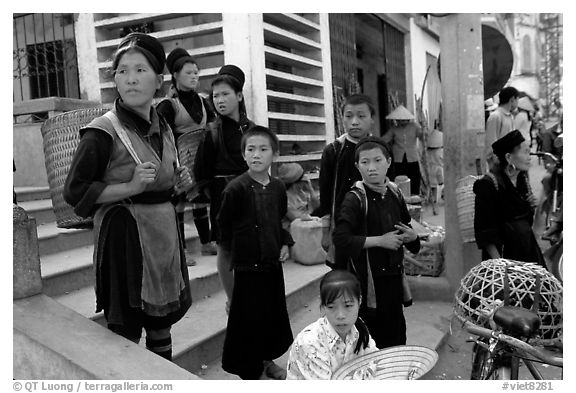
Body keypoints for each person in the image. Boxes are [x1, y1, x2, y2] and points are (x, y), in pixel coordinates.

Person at [63, 32, 192, 360]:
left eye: (140, 70)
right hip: (125, 239)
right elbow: (74, 191)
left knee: (162, 323)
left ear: (159, 80)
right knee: (128, 328)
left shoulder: (162, 124)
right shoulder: (101, 131)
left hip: (163, 233)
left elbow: (163, 179)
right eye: (122, 71)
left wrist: (177, 181)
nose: (130, 79)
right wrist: (129, 188)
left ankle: (163, 378)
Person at [217, 126, 294, 379]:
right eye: (251, 149)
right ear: (243, 154)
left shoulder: (278, 187)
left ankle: (267, 360)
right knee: (248, 325)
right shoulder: (235, 190)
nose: (257, 155)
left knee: (270, 319)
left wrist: (284, 242)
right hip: (246, 271)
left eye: (263, 149)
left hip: (272, 268)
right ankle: (250, 373)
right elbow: (224, 242)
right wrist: (230, 289)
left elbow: (280, 220)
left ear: (274, 154)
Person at [333, 136, 420, 349]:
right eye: (365, 162)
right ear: (357, 166)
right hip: (367, 282)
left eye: (378, 161)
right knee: (370, 341)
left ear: (389, 161)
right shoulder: (354, 199)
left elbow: (407, 229)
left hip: (393, 279)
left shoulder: (394, 192)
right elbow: (341, 239)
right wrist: (380, 241)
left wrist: (413, 238)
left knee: (396, 336)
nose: (372, 168)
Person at [194, 64, 255, 308]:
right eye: (215, 96)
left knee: (251, 249)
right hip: (223, 198)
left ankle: (250, 294)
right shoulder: (211, 132)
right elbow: (202, 174)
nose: (219, 100)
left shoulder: (252, 130)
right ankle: (233, 300)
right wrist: (223, 194)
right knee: (226, 250)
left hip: (251, 196)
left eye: (225, 94)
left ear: (239, 96)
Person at [156, 47, 218, 266]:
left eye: (196, 73)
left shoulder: (203, 101)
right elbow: (163, 135)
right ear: (175, 74)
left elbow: (212, 127)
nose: (194, 76)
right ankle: (180, 249)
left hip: (200, 159)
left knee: (199, 200)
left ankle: (206, 242)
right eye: (189, 72)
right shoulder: (168, 105)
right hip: (178, 160)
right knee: (179, 203)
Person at [312, 94, 374, 269]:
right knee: (344, 275)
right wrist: (325, 231)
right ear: (342, 119)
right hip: (342, 227)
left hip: (373, 226)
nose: (354, 122)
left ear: (372, 120)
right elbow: (325, 197)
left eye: (361, 116)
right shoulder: (333, 151)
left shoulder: (381, 150)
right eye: (349, 116)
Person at [286, 270, 378, 380]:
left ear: (359, 301)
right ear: (323, 305)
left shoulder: (359, 327)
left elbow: (375, 359)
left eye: (348, 305)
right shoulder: (310, 343)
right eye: (331, 307)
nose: (340, 315)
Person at [473, 130, 546, 267]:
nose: (529, 157)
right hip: (503, 259)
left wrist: (530, 206)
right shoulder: (487, 185)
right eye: (525, 152)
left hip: (527, 253)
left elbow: (525, 223)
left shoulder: (522, 180)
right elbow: (485, 231)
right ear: (508, 157)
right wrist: (501, 265)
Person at [382, 105, 423, 196]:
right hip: (398, 157)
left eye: (403, 120)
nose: (401, 122)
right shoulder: (394, 129)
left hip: (412, 156)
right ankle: (400, 195)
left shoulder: (415, 126)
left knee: (414, 176)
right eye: (399, 120)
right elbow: (386, 138)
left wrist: (424, 132)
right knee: (399, 176)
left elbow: (422, 136)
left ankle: (414, 194)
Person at [484, 86, 519, 168]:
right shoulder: (495, 117)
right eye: (517, 99)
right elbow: (491, 142)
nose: (518, 102)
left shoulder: (510, 116)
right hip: (499, 164)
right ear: (512, 99)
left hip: (509, 162)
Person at [425, 127, 444, 215]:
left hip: (429, 170)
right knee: (440, 185)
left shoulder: (427, 152)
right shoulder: (441, 151)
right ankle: (437, 201)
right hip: (439, 170)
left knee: (432, 186)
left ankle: (432, 200)